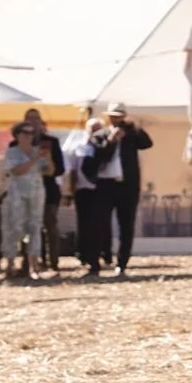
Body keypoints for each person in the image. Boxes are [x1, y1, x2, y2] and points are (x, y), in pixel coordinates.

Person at [67, 117, 119, 278]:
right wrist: (71, 190)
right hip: (83, 190)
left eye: (98, 128)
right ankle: (85, 256)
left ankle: (102, 255)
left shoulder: (106, 146)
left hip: (100, 189)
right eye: (93, 128)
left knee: (101, 225)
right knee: (85, 225)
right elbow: (74, 170)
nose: (96, 131)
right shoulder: (80, 147)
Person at [105, 104, 153, 275]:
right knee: (103, 222)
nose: (116, 120)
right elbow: (100, 155)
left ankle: (122, 261)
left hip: (128, 185)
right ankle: (106, 256)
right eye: (113, 116)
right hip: (108, 184)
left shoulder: (131, 133)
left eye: (119, 116)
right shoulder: (102, 134)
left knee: (126, 224)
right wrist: (111, 140)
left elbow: (147, 143)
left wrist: (133, 130)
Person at [0, 121, 48, 280]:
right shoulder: (12, 152)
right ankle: (10, 264)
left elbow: (50, 171)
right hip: (17, 193)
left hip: (36, 192)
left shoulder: (37, 151)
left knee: (35, 227)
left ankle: (34, 265)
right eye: (25, 133)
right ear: (17, 135)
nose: (28, 136)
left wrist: (48, 158)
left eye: (31, 133)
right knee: (14, 227)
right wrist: (35, 159)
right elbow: (16, 170)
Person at [23, 109, 64, 271]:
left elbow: (60, 169)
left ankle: (53, 261)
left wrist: (48, 163)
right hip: (26, 189)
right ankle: (29, 262)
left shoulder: (51, 142)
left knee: (50, 225)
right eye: (29, 119)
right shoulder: (18, 143)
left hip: (48, 190)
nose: (33, 122)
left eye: (36, 119)